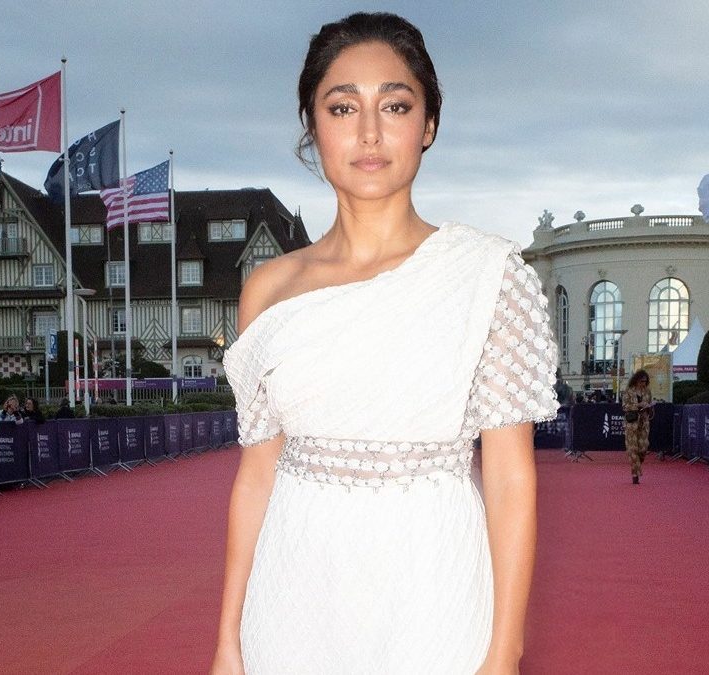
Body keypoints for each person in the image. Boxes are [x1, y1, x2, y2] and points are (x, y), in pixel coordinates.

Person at [212, 13, 558, 674]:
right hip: (294, 595)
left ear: (428, 124)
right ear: (312, 129)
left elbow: (512, 476)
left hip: (435, 591)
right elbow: (256, 477)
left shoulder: (487, 276)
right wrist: (229, 639)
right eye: (343, 107)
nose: (369, 133)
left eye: (395, 105)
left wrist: (504, 651)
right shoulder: (269, 290)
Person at [622, 369, 654, 484]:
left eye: (645, 381)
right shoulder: (629, 391)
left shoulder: (647, 392)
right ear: (636, 380)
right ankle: (635, 474)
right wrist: (638, 405)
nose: (643, 383)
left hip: (644, 423)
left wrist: (649, 407)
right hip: (631, 423)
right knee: (633, 449)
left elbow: (650, 405)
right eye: (641, 381)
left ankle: (637, 466)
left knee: (643, 447)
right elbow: (625, 406)